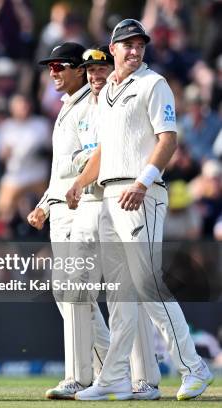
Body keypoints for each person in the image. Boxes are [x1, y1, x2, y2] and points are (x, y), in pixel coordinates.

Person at [66, 19, 213, 401]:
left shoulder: (153, 84)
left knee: (147, 285)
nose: (134, 51)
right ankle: (116, 377)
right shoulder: (105, 92)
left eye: (140, 45)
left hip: (140, 194)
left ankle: (194, 368)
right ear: (112, 48)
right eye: (127, 45)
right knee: (121, 293)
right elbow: (104, 150)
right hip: (111, 196)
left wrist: (143, 181)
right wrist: (80, 183)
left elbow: (168, 140)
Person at [63, 45, 162, 400]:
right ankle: (108, 373)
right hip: (90, 207)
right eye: (90, 72)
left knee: (129, 293)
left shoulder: (123, 98)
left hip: (118, 198)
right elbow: (74, 158)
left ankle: (143, 377)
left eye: (101, 70)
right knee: (93, 294)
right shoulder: (81, 109)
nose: (95, 77)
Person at [25, 42, 110, 399]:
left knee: (75, 291)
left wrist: (73, 179)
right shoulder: (67, 108)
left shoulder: (90, 105)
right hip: (63, 206)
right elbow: (60, 169)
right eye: (50, 67)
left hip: (83, 205)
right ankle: (111, 369)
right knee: (72, 294)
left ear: (79, 69)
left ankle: (80, 376)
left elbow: (92, 156)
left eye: (60, 66)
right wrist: (45, 203)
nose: (53, 73)